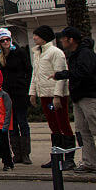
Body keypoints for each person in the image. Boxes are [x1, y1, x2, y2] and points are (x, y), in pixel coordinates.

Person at [54, 27, 96, 177]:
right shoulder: (76, 54)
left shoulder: (85, 54)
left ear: (71, 40)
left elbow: (83, 73)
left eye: (63, 38)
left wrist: (62, 75)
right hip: (80, 98)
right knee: (83, 132)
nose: (61, 41)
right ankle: (90, 163)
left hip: (91, 97)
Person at [29, 25, 75, 170]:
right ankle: (56, 156)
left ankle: (69, 158)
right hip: (44, 95)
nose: (34, 37)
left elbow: (62, 76)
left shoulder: (56, 53)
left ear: (43, 37)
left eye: (37, 35)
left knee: (63, 124)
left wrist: (57, 96)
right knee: (53, 125)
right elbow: (35, 74)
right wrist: (33, 92)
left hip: (55, 95)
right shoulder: (37, 53)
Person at [0, 28, 32, 164]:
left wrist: (27, 87)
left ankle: (26, 154)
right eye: (2, 40)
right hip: (6, 95)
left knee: (23, 123)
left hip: (20, 93)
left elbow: (28, 69)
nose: (5, 42)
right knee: (12, 124)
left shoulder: (20, 52)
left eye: (7, 40)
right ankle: (16, 153)